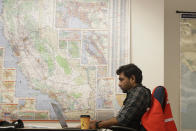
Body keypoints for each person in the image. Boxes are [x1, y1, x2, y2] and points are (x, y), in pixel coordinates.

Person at [90, 63, 151, 130]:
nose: (119, 84)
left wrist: (98, 125)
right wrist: (100, 122)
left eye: (121, 80)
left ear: (132, 79)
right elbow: (120, 117)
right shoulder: (134, 92)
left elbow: (122, 120)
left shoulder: (139, 92)